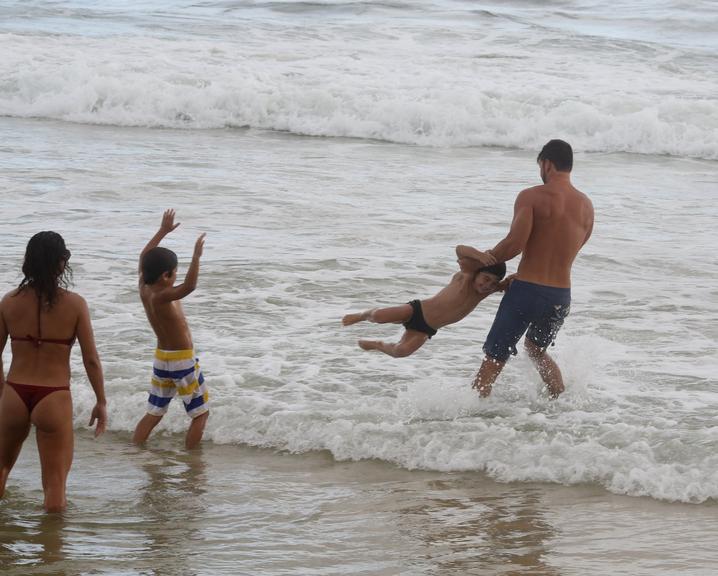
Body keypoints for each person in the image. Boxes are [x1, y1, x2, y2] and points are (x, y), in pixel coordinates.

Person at [464, 139, 594, 398]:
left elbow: (514, 244)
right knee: (536, 350)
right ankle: (558, 403)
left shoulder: (532, 196)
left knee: (495, 356)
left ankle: (472, 412)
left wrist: (483, 260)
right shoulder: (586, 206)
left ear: (546, 164)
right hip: (560, 297)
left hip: (526, 293)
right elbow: (568, 251)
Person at [0, 232, 107, 512]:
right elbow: (91, 359)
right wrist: (101, 401)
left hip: (14, 392)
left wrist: (3, 391)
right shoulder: (75, 304)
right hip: (53, 395)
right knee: (54, 484)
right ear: (61, 263)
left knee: (1, 468)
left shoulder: (9, 302)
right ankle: (52, 551)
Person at [132, 210, 209, 449]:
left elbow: (144, 256)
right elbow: (190, 285)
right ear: (166, 275)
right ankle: (192, 461)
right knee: (200, 414)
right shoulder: (164, 295)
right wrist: (196, 256)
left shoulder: (145, 287)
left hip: (162, 359)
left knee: (155, 412)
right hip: (182, 361)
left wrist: (163, 231)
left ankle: (135, 450)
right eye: (174, 273)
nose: (176, 277)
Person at [342, 248, 506, 358]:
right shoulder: (466, 275)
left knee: (402, 351)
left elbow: (513, 281)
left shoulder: (487, 291)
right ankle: (363, 315)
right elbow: (460, 249)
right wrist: (480, 255)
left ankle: (377, 345)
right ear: (477, 273)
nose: (487, 285)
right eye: (485, 278)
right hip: (417, 310)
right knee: (378, 316)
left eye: (493, 282)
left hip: (427, 328)